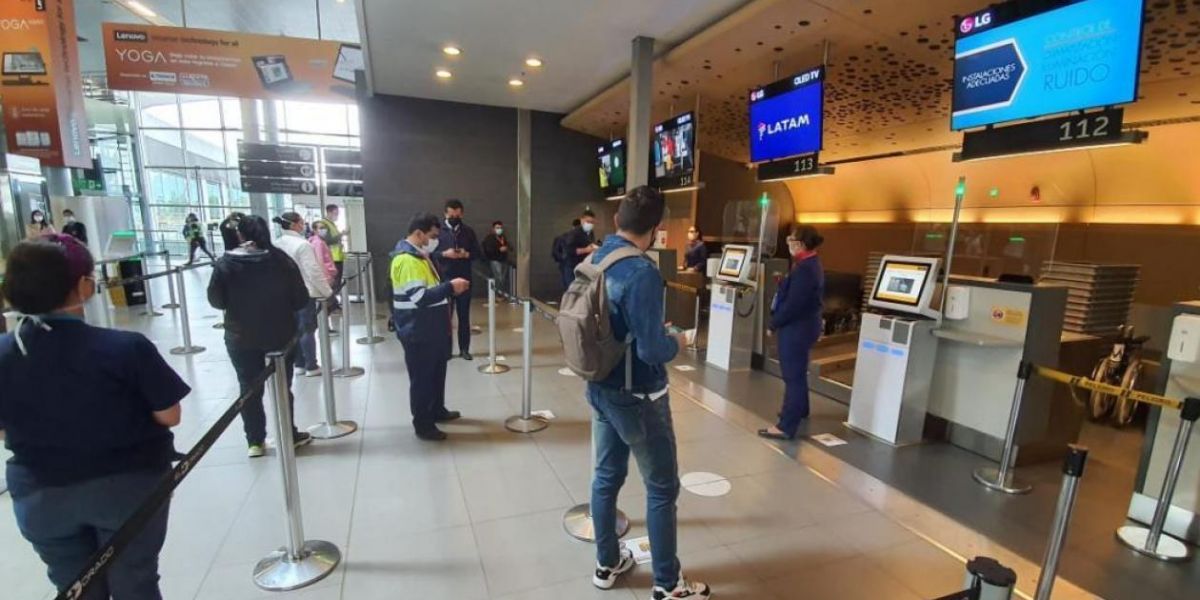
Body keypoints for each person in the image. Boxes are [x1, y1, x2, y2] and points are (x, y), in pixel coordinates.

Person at [0, 234, 188, 599]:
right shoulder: (124, 348)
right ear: (83, 286)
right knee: (135, 580)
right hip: (127, 489)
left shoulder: (5, 354)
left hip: (41, 492)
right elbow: (170, 415)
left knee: (74, 585)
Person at [586, 187, 710, 599]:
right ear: (655, 230)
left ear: (617, 219)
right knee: (660, 489)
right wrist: (680, 339)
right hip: (640, 398)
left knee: (606, 478)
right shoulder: (640, 272)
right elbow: (652, 349)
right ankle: (669, 585)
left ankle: (607, 562)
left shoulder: (596, 258)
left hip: (600, 387)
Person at [208, 215, 312, 458]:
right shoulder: (281, 261)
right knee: (282, 388)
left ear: (240, 235)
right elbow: (300, 299)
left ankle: (255, 441)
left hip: (240, 337)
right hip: (280, 335)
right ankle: (288, 435)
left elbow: (216, 300)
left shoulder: (226, 263)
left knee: (248, 388)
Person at [390, 213, 470, 441]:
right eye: (431, 236)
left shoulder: (421, 257)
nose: (433, 241)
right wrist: (451, 287)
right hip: (418, 330)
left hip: (432, 329)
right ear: (418, 233)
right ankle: (423, 424)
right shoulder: (407, 260)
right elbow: (420, 297)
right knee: (422, 378)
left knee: (436, 372)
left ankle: (437, 409)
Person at [758, 225, 825, 441]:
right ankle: (800, 409)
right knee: (799, 370)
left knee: (792, 375)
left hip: (797, 328)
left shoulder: (805, 270)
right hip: (805, 326)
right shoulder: (808, 264)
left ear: (802, 244)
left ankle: (786, 425)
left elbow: (793, 305)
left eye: (791, 240)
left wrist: (773, 324)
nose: (788, 243)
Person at [274, 212, 334, 377]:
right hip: (305, 292)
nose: (304, 225)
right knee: (307, 328)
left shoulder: (277, 243)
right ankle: (311, 365)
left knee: (294, 329)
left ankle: (299, 363)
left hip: (285, 294)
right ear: (294, 224)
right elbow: (313, 271)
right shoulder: (302, 245)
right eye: (301, 222)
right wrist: (327, 292)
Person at [432, 199, 481, 360]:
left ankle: (465, 349)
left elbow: (478, 253)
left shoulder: (468, 232)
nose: (454, 217)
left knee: (464, 317)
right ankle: (446, 351)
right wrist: (445, 254)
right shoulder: (437, 232)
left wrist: (466, 254)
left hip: (464, 279)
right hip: (445, 280)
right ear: (445, 213)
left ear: (462, 213)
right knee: (445, 318)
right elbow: (430, 255)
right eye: (451, 214)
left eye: (457, 214)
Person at [315, 204, 347, 298]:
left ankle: (334, 301)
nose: (337, 215)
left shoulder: (332, 224)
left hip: (337, 256)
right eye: (335, 213)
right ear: (329, 212)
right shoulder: (323, 224)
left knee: (337, 281)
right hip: (331, 258)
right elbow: (325, 240)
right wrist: (341, 234)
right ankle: (331, 303)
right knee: (333, 281)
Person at [561, 211, 599, 288]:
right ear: (582, 220)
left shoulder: (590, 233)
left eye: (592, 222)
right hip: (572, 268)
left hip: (584, 268)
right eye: (588, 221)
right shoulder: (574, 233)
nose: (590, 224)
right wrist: (586, 250)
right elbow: (568, 250)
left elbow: (589, 244)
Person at [481, 220, 510, 293]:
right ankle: (498, 294)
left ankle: (501, 293)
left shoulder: (503, 237)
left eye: (500, 228)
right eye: (497, 228)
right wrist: (499, 249)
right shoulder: (489, 238)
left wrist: (507, 248)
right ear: (493, 229)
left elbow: (508, 246)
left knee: (502, 278)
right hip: (495, 260)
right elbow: (488, 249)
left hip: (503, 260)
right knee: (498, 278)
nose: (499, 229)